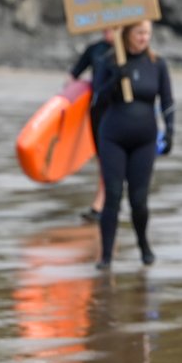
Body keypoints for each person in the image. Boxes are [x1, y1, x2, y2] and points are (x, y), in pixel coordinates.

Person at [93, 20, 174, 269]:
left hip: (145, 139)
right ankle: (106, 254)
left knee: (139, 199)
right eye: (139, 33)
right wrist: (114, 80)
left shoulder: (157, 64)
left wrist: (170, 131)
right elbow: (97, 101)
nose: (144, 37)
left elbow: (167, 101)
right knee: (113, 196)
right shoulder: (110, 61)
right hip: (113, 137)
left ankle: (143, 244)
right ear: (127, 34)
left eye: (148, 33)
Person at [67, 28, 114, 222]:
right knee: (102, 158)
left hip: (120, 111)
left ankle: (103, 202)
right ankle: (103, 201)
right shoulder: (95, 49)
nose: (108, 30)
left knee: (112, 157)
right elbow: (73, 75)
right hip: (98, 110)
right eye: (107, 26)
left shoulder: (130, 49)